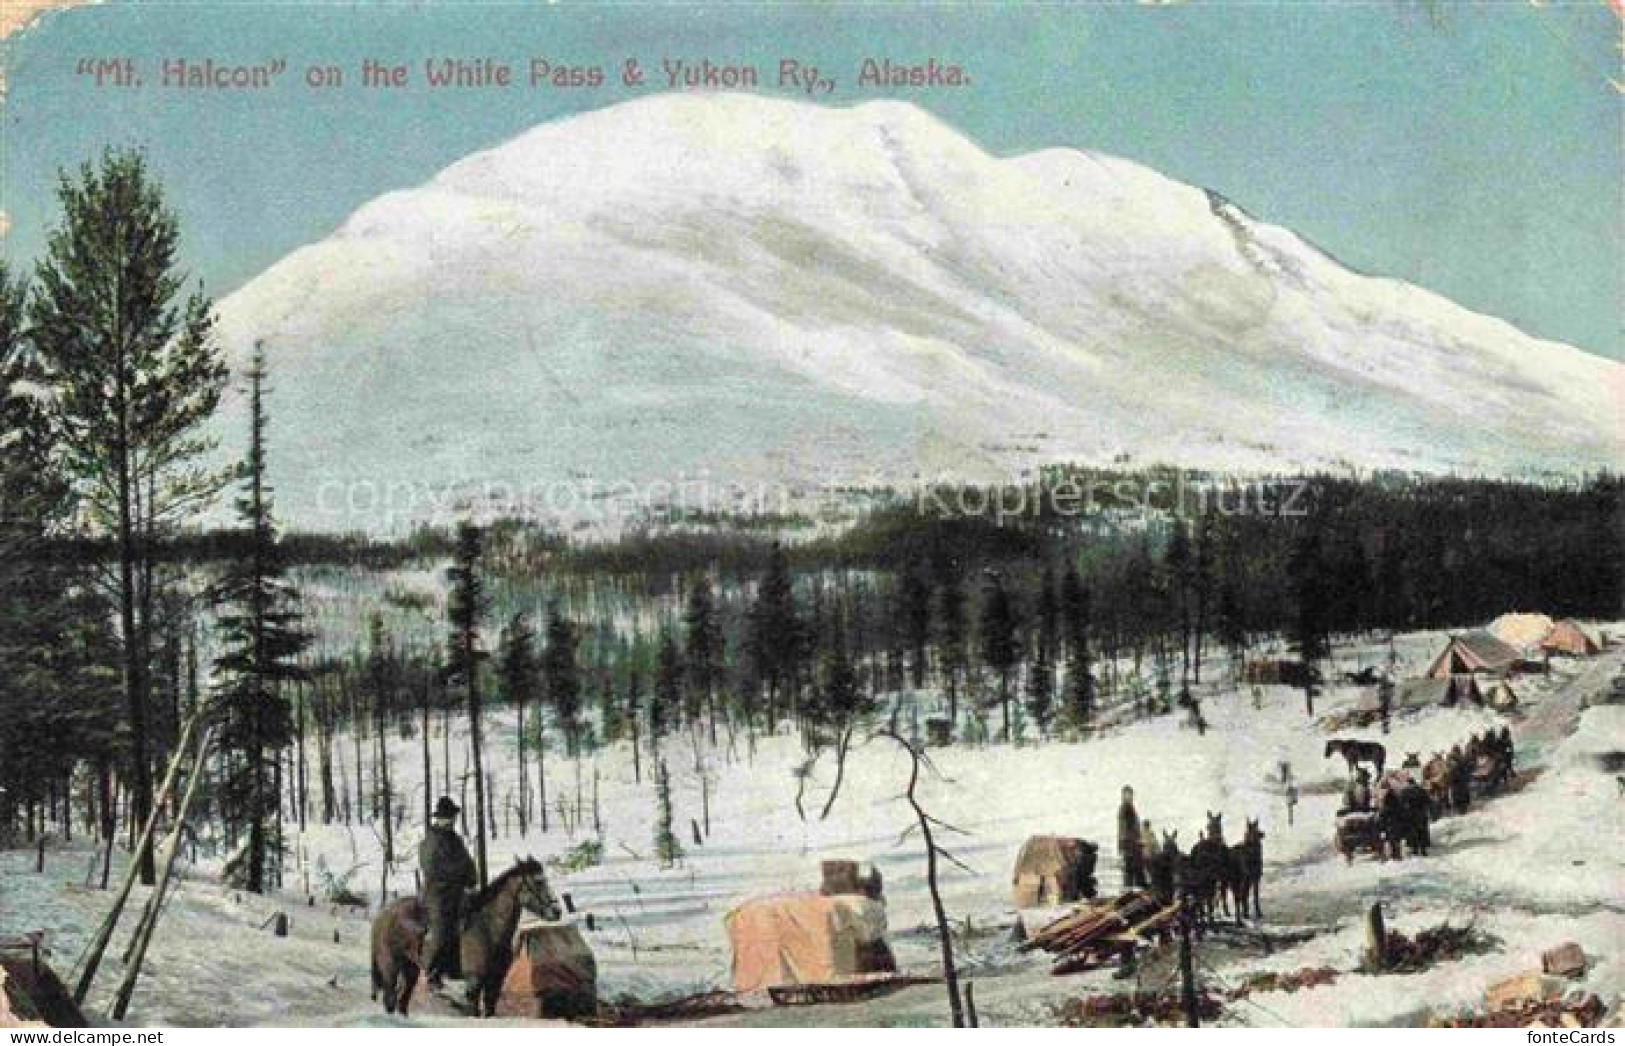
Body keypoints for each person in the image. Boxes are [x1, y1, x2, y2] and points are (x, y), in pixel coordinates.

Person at [420, 796, 477, 988]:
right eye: (447, 817)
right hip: (438, 894)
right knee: (442, 929)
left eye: (452, 817)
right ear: (439, 818)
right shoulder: (431, 841)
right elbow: (432, 868)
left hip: (458, 892)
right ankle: (433, 973)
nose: (451, 820)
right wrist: (458, 875)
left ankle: (458, 967)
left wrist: (471, 877)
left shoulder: (456, 839)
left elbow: (467, 861)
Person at [1117, 786, 1146, 889]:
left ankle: (1133, 891)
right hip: (1130, 844)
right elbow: (1123, 828)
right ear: (1123, 796)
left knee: (1133, 871)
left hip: (1132, 844)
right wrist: (1129, 842)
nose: (1129, 796)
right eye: (1126, 794)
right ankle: (1131, 892)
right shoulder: (1125, 808)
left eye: (1130, 794)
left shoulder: (1129, 807)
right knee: (1132, 870)